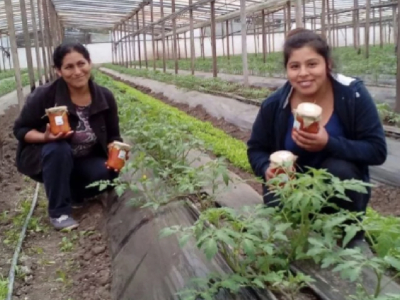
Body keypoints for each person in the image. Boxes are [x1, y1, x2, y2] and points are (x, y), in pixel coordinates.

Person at [247, 28, 387, 248]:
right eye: (295, 66)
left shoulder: (353, 95)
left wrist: (328, 142)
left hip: (340, 191)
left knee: (339, 169)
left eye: (312, 64)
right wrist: (267, 169)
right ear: (287, 70)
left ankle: (345, 238)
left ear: (327, 64)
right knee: (284, 240)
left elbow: (377, 150)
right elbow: (256, 149)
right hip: (290, 191)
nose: (303, 73)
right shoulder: (275, 104)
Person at [13, 42, 123, 230]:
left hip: (83, 158)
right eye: (69, 67)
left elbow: (114, 135)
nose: (77, 71)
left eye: (81, 63)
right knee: (59, 148)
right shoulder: (45, 95)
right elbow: (21, 130)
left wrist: (117, 149)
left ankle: (73, 193)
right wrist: (45, 137)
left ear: (90, 63)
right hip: (47, 158)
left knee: (108, 173)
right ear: (58, 71)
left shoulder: (104, 97)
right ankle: (59, 212)